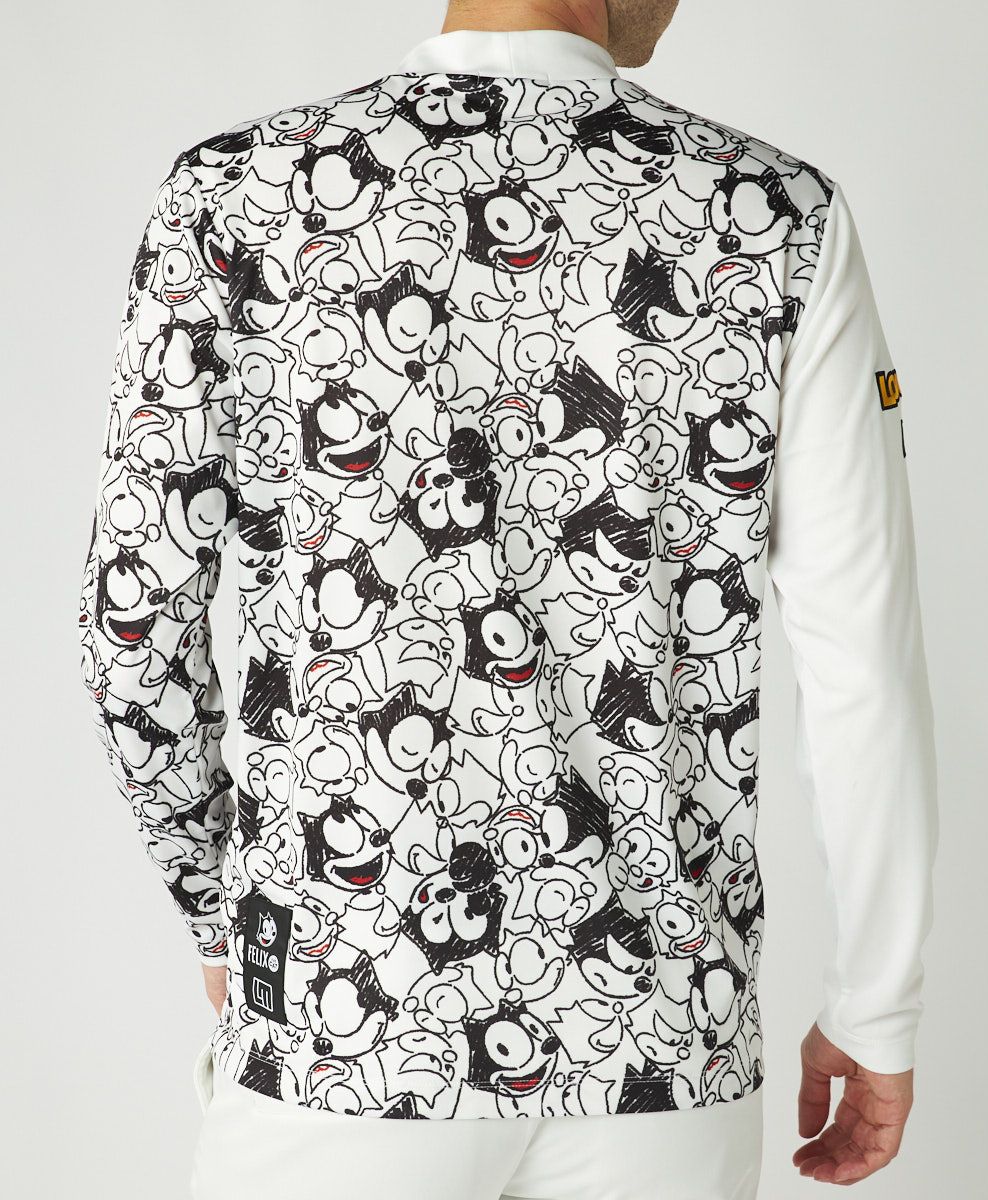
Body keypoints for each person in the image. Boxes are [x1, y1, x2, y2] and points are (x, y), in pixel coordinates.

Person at [75, 0, 939, 1196]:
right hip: (661, 1045)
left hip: (344, 1031)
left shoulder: (235, 195)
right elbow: (863, 664)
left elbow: (132, 637)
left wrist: (226, 917)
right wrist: (875, 1003)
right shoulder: (776, 219)